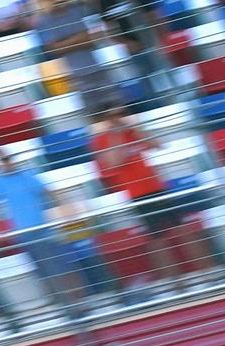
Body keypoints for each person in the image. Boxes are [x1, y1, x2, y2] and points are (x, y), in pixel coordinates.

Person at [91, 103, 214, 281]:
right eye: (113, 116)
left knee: (184, 230)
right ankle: (173, 281)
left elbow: (158, 144)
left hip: (157, 187)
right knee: (157, 239)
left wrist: (135, 128)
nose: (119, 118)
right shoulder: (101, 141)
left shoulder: (131, 132)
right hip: (137, 194)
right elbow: (113, 162)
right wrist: (116, 135)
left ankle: (207, 272)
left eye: (122, 113)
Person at [0, 148, 86, 313]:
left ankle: (79, 300)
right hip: (24, 234)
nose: (7, 162)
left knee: (63, 265)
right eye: (2, 160)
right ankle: (64, 304)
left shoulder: (27, 175)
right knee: (44, 270)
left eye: (8, 158)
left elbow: (49, 192)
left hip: (45, 230)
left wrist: (66, 207)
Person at [36, 0, 122, 114]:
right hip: (75, 77)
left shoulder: (81, 9)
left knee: (118, 110)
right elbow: (54, 50)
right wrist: (81, 37)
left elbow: (96, 35)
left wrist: (65, 42)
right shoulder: (43, 22)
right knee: (95, 116)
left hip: (101, 69)